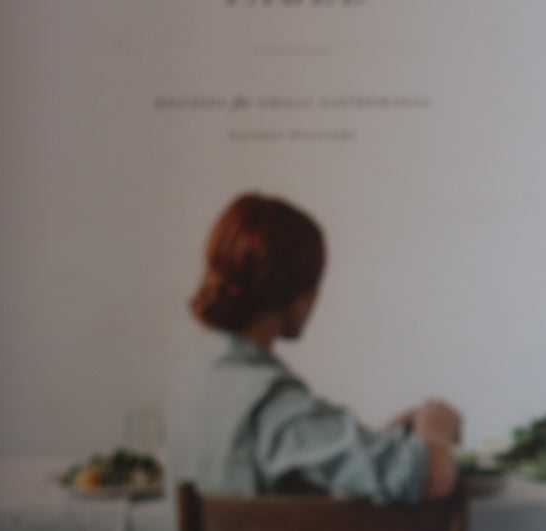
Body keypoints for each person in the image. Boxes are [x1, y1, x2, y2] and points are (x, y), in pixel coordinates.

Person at [165, 192, 460, 505]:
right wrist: (435, 428)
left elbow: (302, 459)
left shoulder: (188, 379)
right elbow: (430, 476)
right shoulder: (266, 400)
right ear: (292, 287)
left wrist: (381, 437)